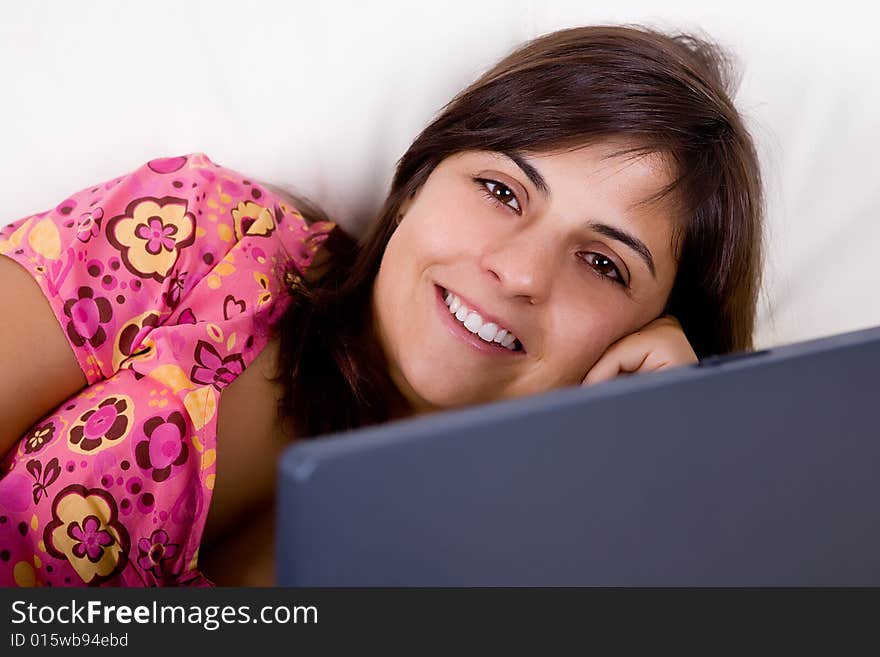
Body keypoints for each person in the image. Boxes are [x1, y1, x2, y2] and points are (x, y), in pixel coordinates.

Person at [0, 24, 763, 587]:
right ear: (417, 185)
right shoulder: (197, 236)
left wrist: (658, 458)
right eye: (502, 191)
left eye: (603, 263)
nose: (522, 271)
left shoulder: (537, 561)